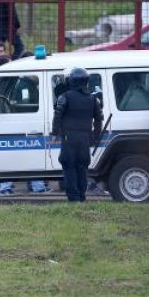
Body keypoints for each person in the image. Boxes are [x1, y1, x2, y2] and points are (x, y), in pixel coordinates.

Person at [51, 67, 104, 202]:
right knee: (82, 168)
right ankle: (81, 197)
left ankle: (73, 199)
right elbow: (99, 119)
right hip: (85, 139)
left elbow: (58, 114)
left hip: (69, 139)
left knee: (69, 167)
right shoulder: (93, 99)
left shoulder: (65, 96)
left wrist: (55, 132)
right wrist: (96, 137)